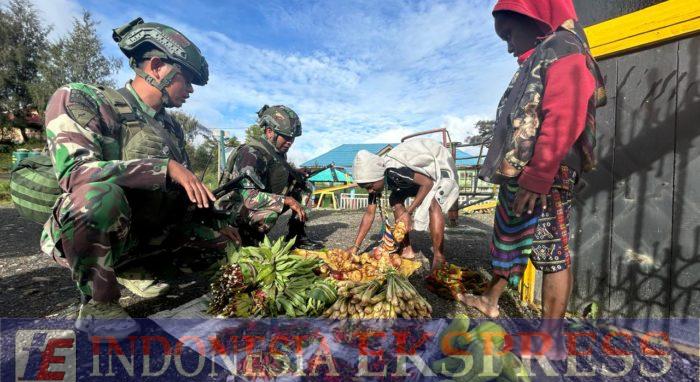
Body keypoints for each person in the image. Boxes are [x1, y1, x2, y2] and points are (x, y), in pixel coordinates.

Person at [41, 18, 240, 337]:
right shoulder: (85, 100)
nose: (190, 90)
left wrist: (216, 223)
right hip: (98, 222)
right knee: (96, 198)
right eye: (187, 80)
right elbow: (75, 174)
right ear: (158, 66)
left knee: (224, 242)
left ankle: (135, 268)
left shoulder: (172, 128)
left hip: (148, 229)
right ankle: (100, 305)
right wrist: (164, 168)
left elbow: (180, 194)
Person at [460, 0, 605, 360]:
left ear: (531, 16)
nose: (508, 45)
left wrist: (539, 175)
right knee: (506, 238)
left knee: (549, 249)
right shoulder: (540, 55)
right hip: (523, 171)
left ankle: (550, 339)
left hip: (547, 172)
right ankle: (490, 302)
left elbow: (565, 114)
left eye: (509, 34)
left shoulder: (563, 48)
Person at [218, 105, 324, 250]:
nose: (290, 142)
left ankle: (296, 237)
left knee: (303, 185)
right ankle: (247, 241)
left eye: (292, 138)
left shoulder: (276, 152)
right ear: (269, 132)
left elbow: (272, 171)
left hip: (252, 203)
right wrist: (287, 200)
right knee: (269, 214)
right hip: (236, 210)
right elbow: (249, 198)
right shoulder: (251, 154)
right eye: (286, 137)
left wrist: (294, 172)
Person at [349, 138, 459, 270]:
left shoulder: (395, 171)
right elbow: (369, 214)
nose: (370, 190)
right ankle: (407, 249)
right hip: (417, 180)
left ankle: (439, 256)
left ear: (378, 176)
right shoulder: (375, 181)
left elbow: (428, 183)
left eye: (370, 186)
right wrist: (355, 247)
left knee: (433, 203)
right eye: (365, 188)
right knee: (394, 198)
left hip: (437, 169)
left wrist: (409, 212)